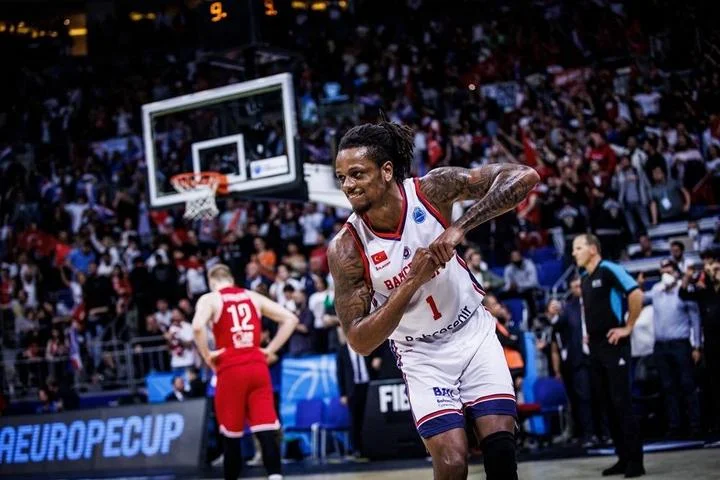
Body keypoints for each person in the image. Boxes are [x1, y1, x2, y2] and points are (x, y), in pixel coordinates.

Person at [328, 120, 539, 480]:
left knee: (500, 449)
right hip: (420, 352)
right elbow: (360, 341)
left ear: (387, 171)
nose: (348, 185)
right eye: (342, 177)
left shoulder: (432, 190)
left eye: (357, 174)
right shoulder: (347, 248)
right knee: (453, 463)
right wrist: (412, 280)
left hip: (471, 331)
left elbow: (524, 176)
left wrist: (459, 227)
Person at [192, 264, 298, 480]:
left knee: (231, 435)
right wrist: (269, 350)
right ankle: (275, 477)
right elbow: (291, 319)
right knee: (266, 429)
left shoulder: (210, 298)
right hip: (257, 366)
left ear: (212, 281)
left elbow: (196, 327)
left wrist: (207, 355)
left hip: (231, 367)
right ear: (231, 279)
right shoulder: (252, 296)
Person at [572, 234, 645, 478]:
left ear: (593, 249)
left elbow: (636, 293)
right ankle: (622, 458)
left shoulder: (610, 269)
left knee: (621, 402)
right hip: (595, 346)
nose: (574, 253)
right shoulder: (584, 278)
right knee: (607, 405)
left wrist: (628, 327)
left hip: (615, 343)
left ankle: (635, 461)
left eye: (578, 248)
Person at [644, 259, 701, 436]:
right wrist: (638, 285)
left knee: (687, 385)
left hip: (680, 344)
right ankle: (674, 426)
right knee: (668, 387)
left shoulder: (684, 291)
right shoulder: (656, 290)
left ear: (676, 272)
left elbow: (695, 320)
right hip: (661, 345)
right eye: (662, 271)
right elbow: (641, 299)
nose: (665, 273)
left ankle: (695, 424)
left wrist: (697, 346)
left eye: (668, 270)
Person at [550, 277, 600, 447]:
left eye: (580, 285)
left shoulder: (596, 301)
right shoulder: (568, 308)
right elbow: (557, 325)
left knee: (602, 396)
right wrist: (553, 315)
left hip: (599, 356)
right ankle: (589, 435)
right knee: (583, 398)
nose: (578, 288)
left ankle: (606, 433)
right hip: (579, 360)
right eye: (575, 286)